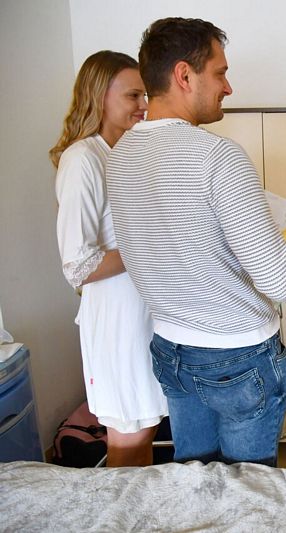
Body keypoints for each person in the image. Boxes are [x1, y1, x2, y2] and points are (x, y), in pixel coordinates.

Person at [106, 18, 286, 466]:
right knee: (248, 491)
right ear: (184, 75)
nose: (227, 87)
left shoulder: (121, 155)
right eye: (220, 73)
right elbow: (280, 279)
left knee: (195, 479)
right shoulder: (217, 156)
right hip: (237, 355)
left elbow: (177, 242)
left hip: (170, 349)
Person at [51, 50, 168, 467]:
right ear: (99, 96)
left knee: (146, 429)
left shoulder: (126, 155)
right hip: (117, 322)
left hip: (145, 315)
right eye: (133, 95)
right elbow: (78, 266)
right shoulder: (83, 160)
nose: (144, 105)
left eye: (145, 95)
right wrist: (149, 246)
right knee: (128, 437)